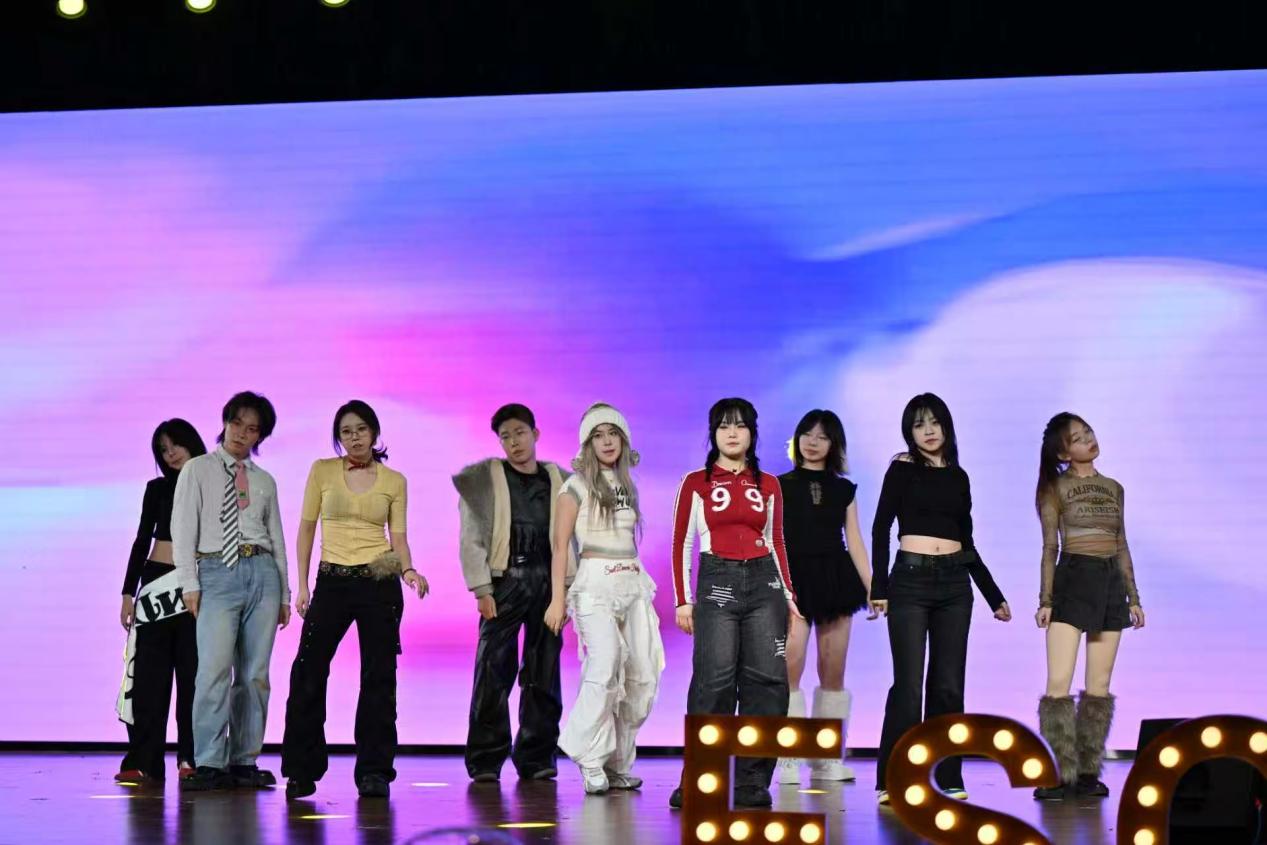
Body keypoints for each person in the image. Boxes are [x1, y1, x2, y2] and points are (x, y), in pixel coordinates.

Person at [282, 400, 429, 800]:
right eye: (346, 431)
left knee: (379, 677)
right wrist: (302, 585)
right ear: (338, 437)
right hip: (332, 579)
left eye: (361, 429)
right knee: (308, 669)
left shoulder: (394, 480)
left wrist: (409, 570)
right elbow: (306, 529)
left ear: (374, 432)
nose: (354, 437)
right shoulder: (322, 470)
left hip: (378, 581)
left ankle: (374, 772)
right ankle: (301, 770)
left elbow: (398, 537)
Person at [870, 393, 1012, 805]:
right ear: (909, 433)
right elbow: (881, 527)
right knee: (908, 686)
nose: (928, 431)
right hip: (909, 582)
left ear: (947, 426)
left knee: (949, 686)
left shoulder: (959, 476)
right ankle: (893, 777)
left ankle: (947, 775)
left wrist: (992, 594)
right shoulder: (901, 468)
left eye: (934, 422)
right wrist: (879, 587)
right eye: (919, 425)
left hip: (954, 586)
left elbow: (967, 542)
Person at [668, 397, 800, 810]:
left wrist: (788, 595)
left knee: (768, 683)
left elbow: (777, 541)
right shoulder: (696, 482)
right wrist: (683, 600)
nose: (732, 432)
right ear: (713, 433)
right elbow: (682, 541)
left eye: (740, 425)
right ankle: (701, 777)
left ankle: (751, 781)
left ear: (752, 433)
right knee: (714, 682)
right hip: (717, 582)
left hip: (764, 584)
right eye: (723, 426)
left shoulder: (770, 484)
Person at [173, 391, 292, 791]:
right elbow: (183, 529)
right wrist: (189, 582)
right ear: (225, 421)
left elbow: (277, 538)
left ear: (260, 436)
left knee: (255, 674)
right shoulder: (198, 469)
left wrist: (284, 593)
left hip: (262, 571)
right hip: (216, 570)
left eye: (252, 429)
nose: (242, 433)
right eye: (237, 423)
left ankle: (244, 759)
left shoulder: (264, 481)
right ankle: (209, 760)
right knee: (213, 670)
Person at [545, 404, 665, 795]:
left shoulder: (628, 484)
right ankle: (589, 756)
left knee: (641, 674)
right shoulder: (575, 487)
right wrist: (557, 599)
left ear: (624, 440)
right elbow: (560, 547)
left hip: (632, 581)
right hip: (594, 584)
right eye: (598, 435)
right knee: (605, 665)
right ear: (588, 443)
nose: (607, 441)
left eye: (613, 434)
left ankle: (618, 764)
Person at [453, 403, 574, 782]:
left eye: (520, 433)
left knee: (544, 671)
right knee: (492, 670)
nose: (514, 442)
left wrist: (567, 590)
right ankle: (486, 760)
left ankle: (536, 757)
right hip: (505, 581)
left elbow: (575, 539)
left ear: (535, 434)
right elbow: (471, 537)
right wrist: (481, 589)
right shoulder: (483, 480)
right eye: (505, 436)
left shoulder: (561, 480)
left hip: (548, 581)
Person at [1032, 413, 1144, 801]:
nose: (1089, 440)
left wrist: (1134, 597)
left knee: (1099, 686)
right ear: (1063, 453)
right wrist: (1045, 600)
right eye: (1077, 438)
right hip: (1072, 579)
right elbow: (1050, 547)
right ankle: (1057, 772)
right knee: (1058, 684)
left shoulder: (1114, 488)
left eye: (1088, 432)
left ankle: (1087, 772)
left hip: (1110, 582)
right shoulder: (1054, 488)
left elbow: (1122, 543)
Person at [776, 410, 873, 785]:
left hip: (835, 578)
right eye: (807, 434)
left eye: (822, 436)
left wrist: (873, 587)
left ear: (834, 444)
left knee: (833, 670)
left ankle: (827, 758)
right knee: (790, 665)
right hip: (793, 580)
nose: (813, 442)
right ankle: (787, 756)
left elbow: (856, 542)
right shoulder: (778, 486)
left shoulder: (844, 489)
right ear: (797, 439)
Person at [115, 418, 207, 783]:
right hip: (155, 586)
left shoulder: (212, 483)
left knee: (193, 675)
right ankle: (145, 761)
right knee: (149, 679)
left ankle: (192, 757)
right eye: (163, 450)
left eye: (175, 445)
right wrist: (128, 592)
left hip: (196, 586)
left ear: (191, 443)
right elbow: (142, 539)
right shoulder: (156, 488)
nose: (170, 454)